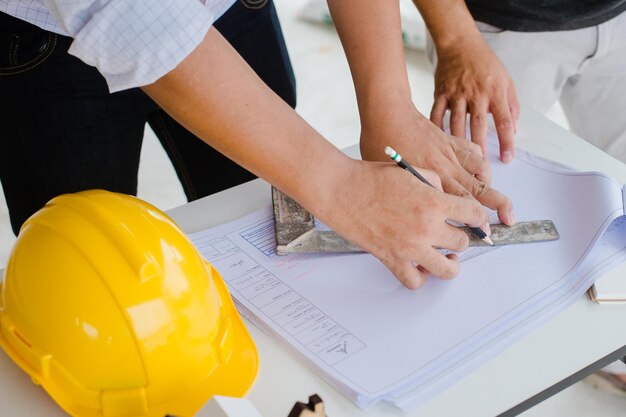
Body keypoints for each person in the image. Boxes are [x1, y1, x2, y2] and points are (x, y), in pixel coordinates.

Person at [0, 0, 513, 290]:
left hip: (229, 9)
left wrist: (390, 105)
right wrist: (337, 186)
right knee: (85, 272)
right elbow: (132, 14)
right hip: (46, 43)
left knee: (270, 239)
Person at [413, 0, 626, 393]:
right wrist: (457, 38)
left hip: (619, 16)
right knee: (479, 216)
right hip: (495, 29)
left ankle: (611, 348)